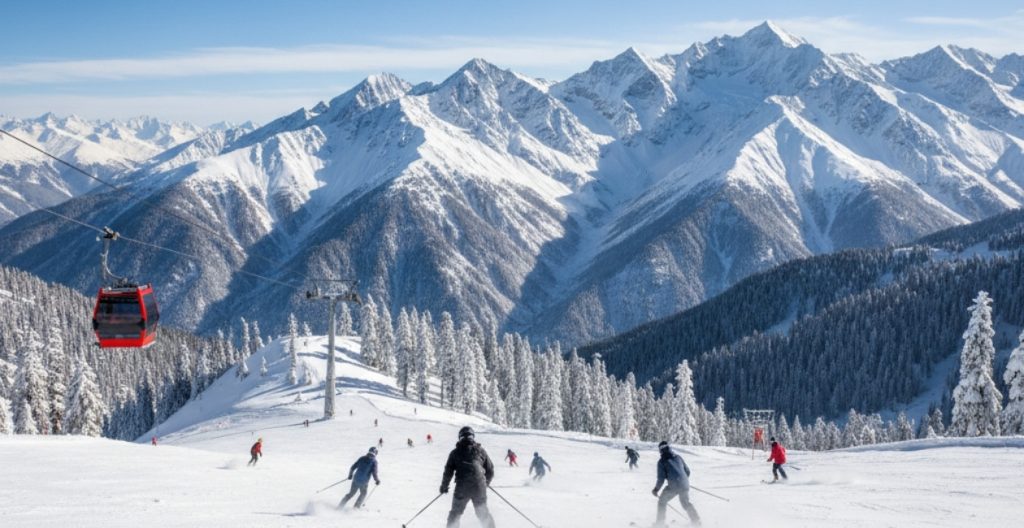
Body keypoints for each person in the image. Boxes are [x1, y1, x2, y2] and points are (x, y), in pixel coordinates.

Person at [440, 426, 496, 528]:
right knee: (482, 513)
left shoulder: (455, 452)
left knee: (455, 514)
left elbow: (448, 472)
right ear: (472, 437)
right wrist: (485, 482)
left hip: (462, 487)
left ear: (460, 437)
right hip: (479, 486)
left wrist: (444, 486)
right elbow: (490, 470)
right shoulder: (480, 451)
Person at [652, 441, 701, 527]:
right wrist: (682, 480)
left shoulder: (661, 462)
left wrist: (656, 490)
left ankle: (660, 524)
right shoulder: (678, 457)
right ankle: (696, 520)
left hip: (674, 486)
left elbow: (661, 479)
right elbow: (688, 472)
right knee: (685, 503)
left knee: (662, 502)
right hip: (684, 484)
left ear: (660, 450)